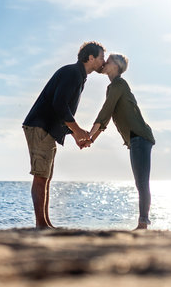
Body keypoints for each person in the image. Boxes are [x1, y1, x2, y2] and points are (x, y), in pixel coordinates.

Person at [23, 41, 105, 229]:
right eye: (101, 57)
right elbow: (59, 104)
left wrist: (74, 133)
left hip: (47, 129)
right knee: (41, 176)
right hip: (40, 126)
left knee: (46, 177)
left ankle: (45, 223)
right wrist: (77, 130)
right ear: (90, 58)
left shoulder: (78, 75)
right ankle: (41, 225)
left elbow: (61, 110)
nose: (103, 61)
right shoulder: (73, 73)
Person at [89, 53, 155, 230]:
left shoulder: (119, 84)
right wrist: (92, 139)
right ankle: (143, 223)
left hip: (140, 137)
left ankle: (143, 224)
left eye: (107, 61)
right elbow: (108, 117)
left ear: (116, 66)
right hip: (135, 139)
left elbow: (105, 111)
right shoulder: (113, 87)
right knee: (140, 182)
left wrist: (89, 136)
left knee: (142, 182)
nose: (104, 63)